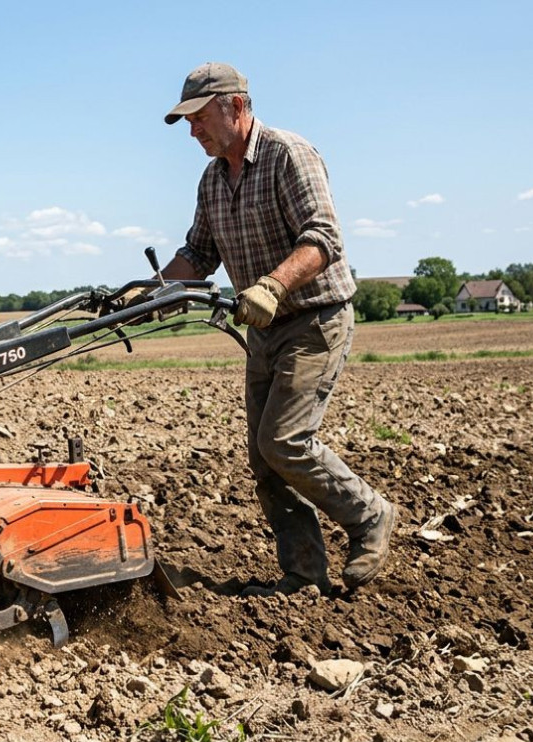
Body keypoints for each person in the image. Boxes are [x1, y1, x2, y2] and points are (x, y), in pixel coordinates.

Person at [159, 62, 396, 596]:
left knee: (284, 440)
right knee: (263, 457)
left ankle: (370, 515)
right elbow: (197, 255)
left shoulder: (289, 155)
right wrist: (148, 291)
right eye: (188, 122)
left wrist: (271, 285)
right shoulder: (214, 179)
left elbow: (323, 238)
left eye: (199, 118)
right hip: (264, 329)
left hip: (315, 317)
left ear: (236, 106)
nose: (193, 131)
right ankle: (305, 573)